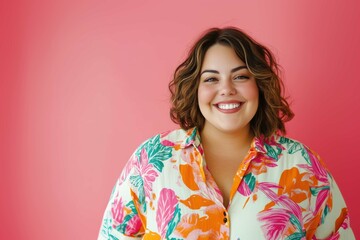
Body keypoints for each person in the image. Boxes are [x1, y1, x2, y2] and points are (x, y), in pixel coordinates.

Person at [98, 27, 355, 239]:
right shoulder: (152, 161)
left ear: (259, 85)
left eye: (241, 77)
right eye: (211, 79)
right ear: (195, 89)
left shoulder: (303, 165)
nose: (227, 89)